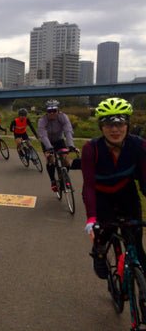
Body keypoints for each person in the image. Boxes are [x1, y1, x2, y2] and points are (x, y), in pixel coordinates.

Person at [81, 97, 146, 279]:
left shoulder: (139, 145)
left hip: (127, 194)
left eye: (120, 123)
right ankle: (99, 253)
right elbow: (89, 186)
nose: (115, 129)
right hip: (101, 196)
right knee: (105, 236)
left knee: (137, 246)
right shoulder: (91, 148)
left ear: (128, 124)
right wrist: (92, 218)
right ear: (101, 127)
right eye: (108, 124)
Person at [37, 100, 78, 191]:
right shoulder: (42, 120)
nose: (52, 113)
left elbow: (68, 131)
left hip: (59, 140)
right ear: (46, 112)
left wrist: (71, 145)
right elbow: (43, 135)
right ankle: (53, 181)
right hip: (47, 141)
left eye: (54, 111)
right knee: (50, 158)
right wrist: (49, 148)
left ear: (58, 110)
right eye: (49, 111)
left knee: (66, 158)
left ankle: (65, 177)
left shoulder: (63, 117)